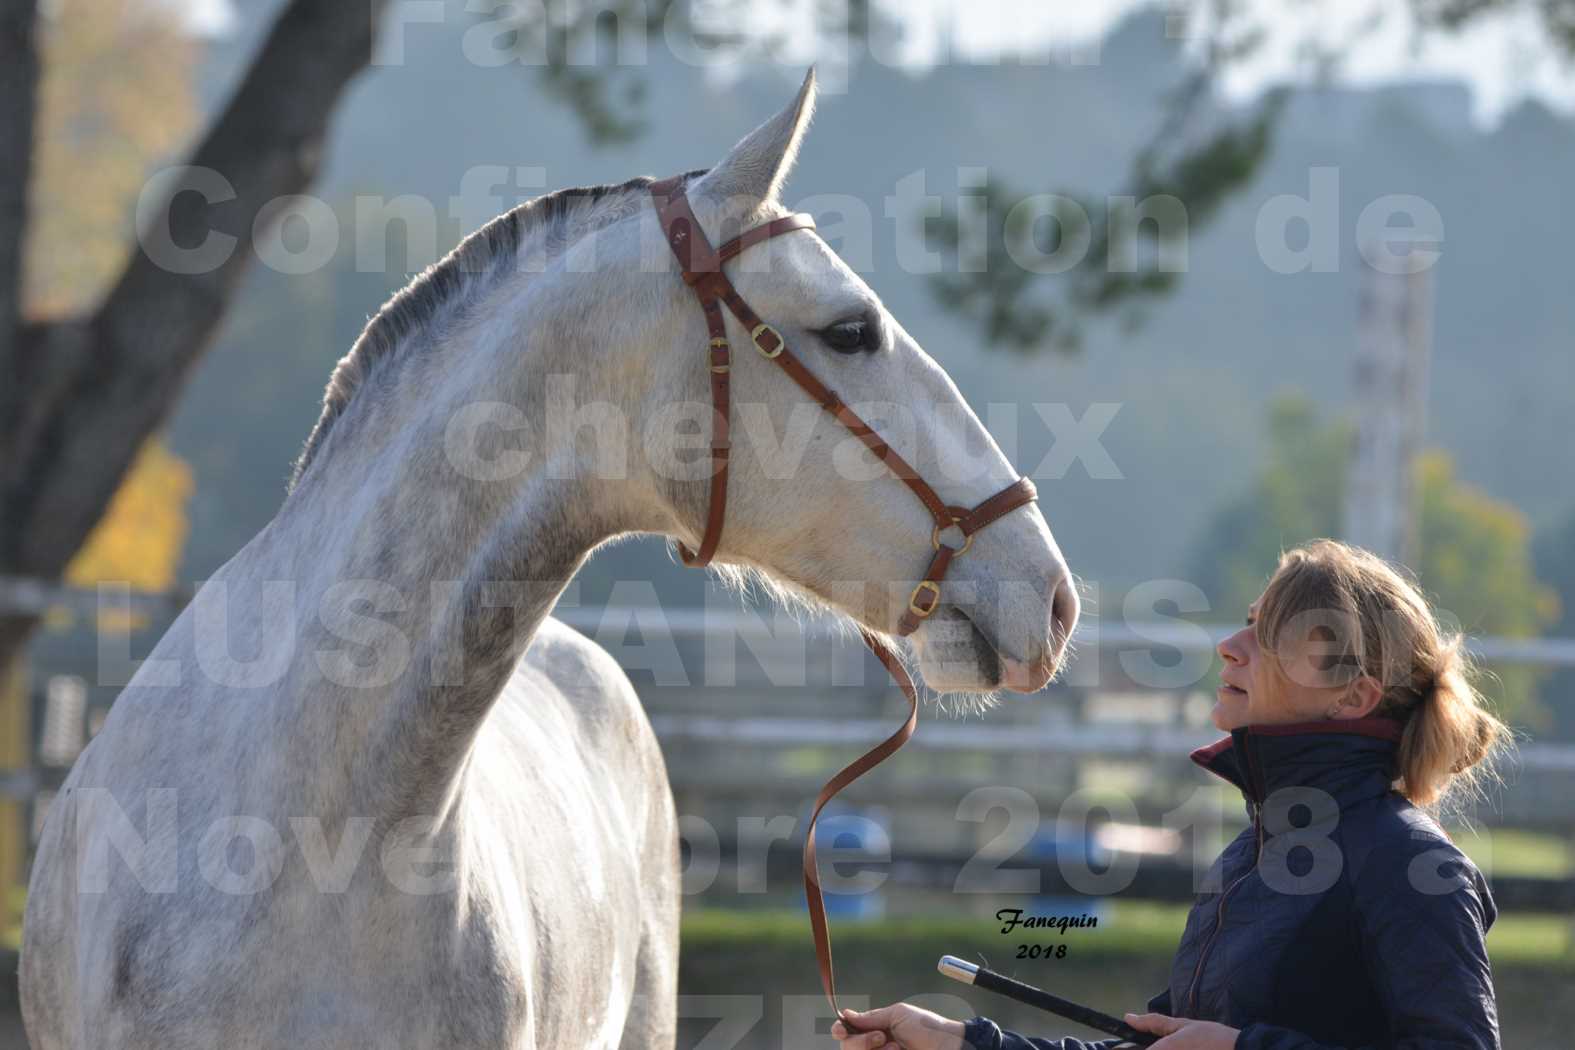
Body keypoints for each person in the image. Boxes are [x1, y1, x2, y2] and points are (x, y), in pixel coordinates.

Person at [831, 540, 1507, 1050]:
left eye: (1268, 637)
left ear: (1352, 697)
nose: (1229, 646)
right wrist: (962, 1042)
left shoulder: (1411, 865)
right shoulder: (1251, 854)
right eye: (1246, 622)